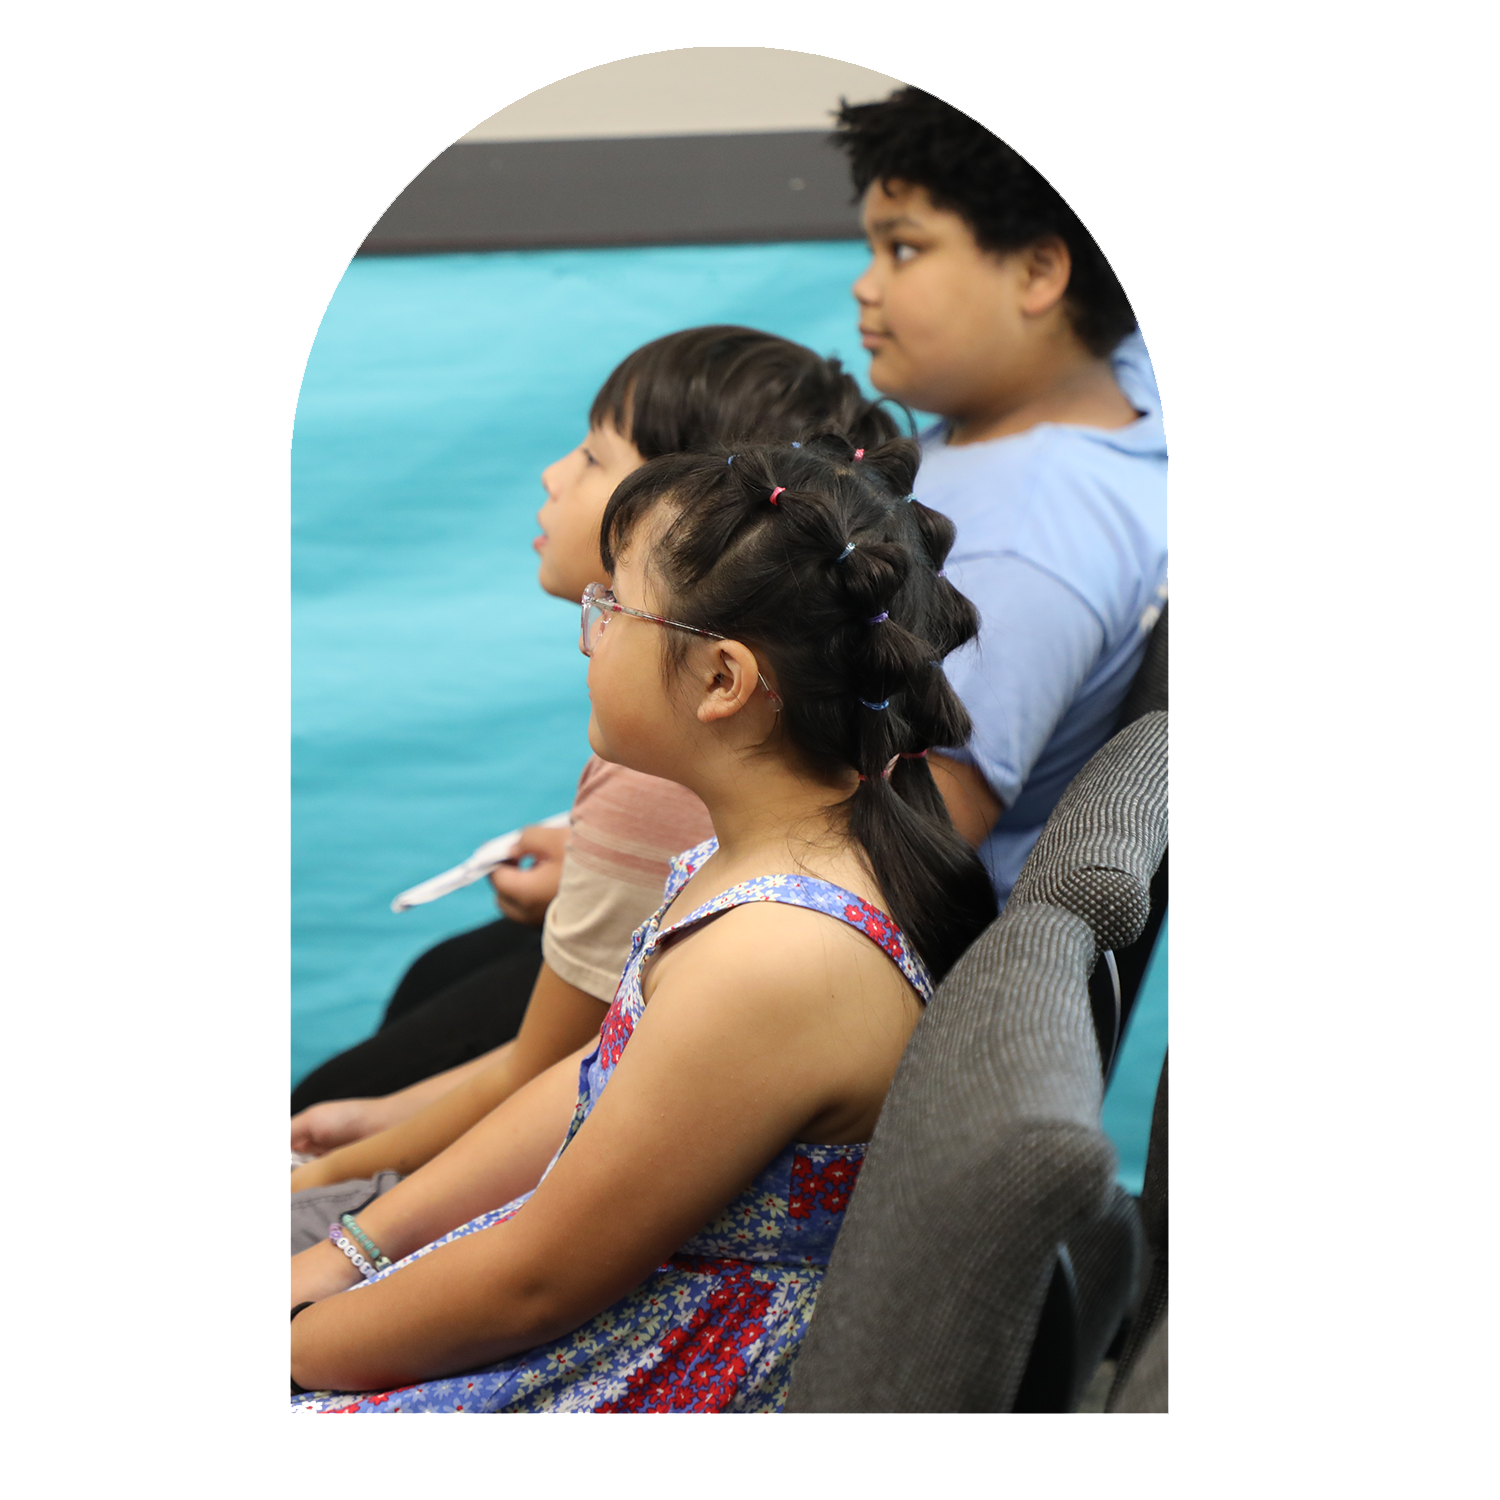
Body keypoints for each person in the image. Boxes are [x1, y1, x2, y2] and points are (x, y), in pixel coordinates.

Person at [289, 432, 995, 1412]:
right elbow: (598, 1078)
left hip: (660, 1374)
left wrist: (297, 1345)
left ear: (722, 681)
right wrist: (350, 1250)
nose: (589, 634)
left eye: (611, 606)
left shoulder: (776, 956)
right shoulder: (759, 858)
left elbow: (533, 1284)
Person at [288, 328, 901, 1211]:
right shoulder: (769, 820)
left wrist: (329, 1196)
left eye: (592, 456)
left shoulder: (660, 797)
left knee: (334, 1100)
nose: (553, 475)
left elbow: (549, 1097)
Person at [832, 88, 1170, 903]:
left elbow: (910, 846)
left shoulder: (1030, 535)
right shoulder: (1112, 396)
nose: (864, 286)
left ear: (1039, 271)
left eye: (904, 249)